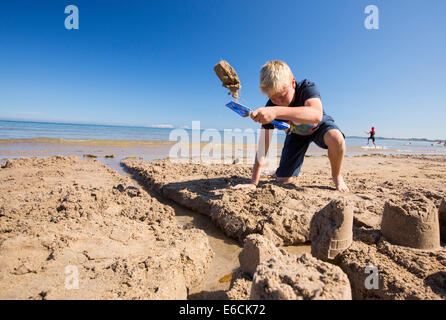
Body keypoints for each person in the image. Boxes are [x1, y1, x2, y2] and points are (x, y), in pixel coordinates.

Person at [232, 60, 349, 192]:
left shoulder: (306, 87)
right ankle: (280, 172)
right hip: (295, 135)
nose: (278, 102)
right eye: (273, 98)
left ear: (293, 83)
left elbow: (316, 114)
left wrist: (276, 111)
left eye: (282, 96)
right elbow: (263, 146)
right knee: (283, 180)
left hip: (319, 128)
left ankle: (337, 176)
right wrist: (253, 182)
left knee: (336, 137)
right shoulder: (270, 107)